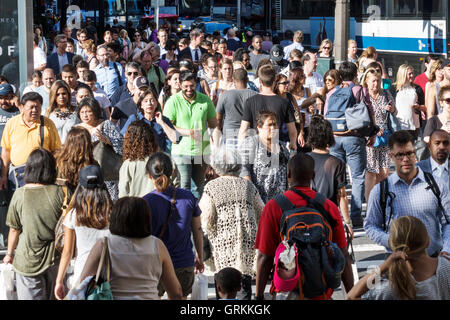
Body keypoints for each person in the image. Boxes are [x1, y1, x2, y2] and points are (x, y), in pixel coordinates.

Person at [254, 152, 354, 300]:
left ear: (288, 174)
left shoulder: (273, 207)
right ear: (313, 175)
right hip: (321, 291)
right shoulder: (328, 206)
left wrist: (259, 296)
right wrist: (352, 294)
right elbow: (343, 254)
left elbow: (264, 257)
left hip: (287, 291)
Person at [364, 130, 450, 258]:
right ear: (391, 157)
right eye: (400, 155)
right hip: (399, 263)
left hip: (433, 260)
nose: (405, 159)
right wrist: (390, 241)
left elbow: (448, 221)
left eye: (409, 153)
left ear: (415, 153)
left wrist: (446, 249)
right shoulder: (381, 190)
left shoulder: (437, 184)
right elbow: (371, 225)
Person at [79, 196, 183, 300]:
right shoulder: (158, 245)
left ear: (115, 217)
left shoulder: (104, 245)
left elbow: (82, 284)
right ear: (146, 219)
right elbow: (176, 292)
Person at [199, 147, 264, 300]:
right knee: (243, 290)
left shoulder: (211, 187)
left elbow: (205, 218)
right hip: (246, 246)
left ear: (217, 165)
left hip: (223, 248)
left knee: (224, 292)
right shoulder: (249, 186)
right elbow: (262, 211)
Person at [3, 148, 64, 300]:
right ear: (52, 168)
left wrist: (9, 254)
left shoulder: (19, 194)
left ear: (29, 168)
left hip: (27, 262)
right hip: (55, 260)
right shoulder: (61, 192)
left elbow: (14, 229)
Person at [143, 152, 204, 299]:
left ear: (149, 176)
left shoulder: (146, 202)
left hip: (154, 263)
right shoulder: (188, 197)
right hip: (183, 262)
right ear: (173, 172)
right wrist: (200, 256)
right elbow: (197, 230)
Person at [324, 62, 375, 228]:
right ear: (355, 75)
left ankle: (336, 212)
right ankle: (355, 215)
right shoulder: (360, 90)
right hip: (354, 136)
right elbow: (369, 112)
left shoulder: (332, 92)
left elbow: (325, 115)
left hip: (335, 137)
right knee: (358, 176)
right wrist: (372, 133)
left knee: (336, 177)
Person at [348, 216, 450, 300]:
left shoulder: (390, 288)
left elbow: (352, 296)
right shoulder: (446, 268)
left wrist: (384, 267)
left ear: (393, 246)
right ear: (427, 242)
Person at [54, 165, 111, 299]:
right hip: (108, 277)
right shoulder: (112, 214)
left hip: (82, 278)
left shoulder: (73, 215)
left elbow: (67, 253)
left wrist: (59, 281)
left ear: (80, 187)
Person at [163, 70, 218, 198]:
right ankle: (183, 215)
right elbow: (167, 125)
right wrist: (187, 132)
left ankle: (196, 216)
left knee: (198, 187)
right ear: (180, 84)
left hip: (201, 151)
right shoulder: (172, 101)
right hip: (181, 150)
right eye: (185, 86)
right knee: (184, 185)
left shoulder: (204, 100)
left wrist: (215, 148)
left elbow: (213, 125)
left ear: (196, 84)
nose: (189, 89)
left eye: (192, 86)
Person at [307, 115, 353, 237]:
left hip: (305, 216)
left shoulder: (302, 160)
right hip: (329, 216)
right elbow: (341, 196)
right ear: (329, 137)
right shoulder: (336, 163)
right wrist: (348, 223)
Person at [238, 65, 297, 152]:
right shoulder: (284, 102)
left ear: (260, 81)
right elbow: (292, 130)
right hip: (276, 148)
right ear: (274, 81)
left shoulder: (250, 101)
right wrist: (293, 143)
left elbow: (243, 130)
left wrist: (241, 149)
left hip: (256, 149)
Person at [75, 97, 124, 200]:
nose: (85, 115)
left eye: (89, 111)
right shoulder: (76, 129)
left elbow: (122, 145)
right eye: (82, 112)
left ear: (96, 111)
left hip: (107, 175)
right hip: (85, 174)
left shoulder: (106, 125)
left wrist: (107, 141)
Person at [362, 68, 397, 202]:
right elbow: (361, 117)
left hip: (385, 137)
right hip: (370, 138)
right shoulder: (363, 96)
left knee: (384, 172)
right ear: (366, 81)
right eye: (373, 81)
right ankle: (370, 201)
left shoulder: (386, 94)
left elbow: (396, 112)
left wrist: (392, 109)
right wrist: (374, 129)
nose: (375, 84)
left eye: (378, 81)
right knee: (371, 172)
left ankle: (380, 199)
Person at [239, 111, 290, 203]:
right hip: (258, 201)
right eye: (269, 125)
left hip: (280, 202)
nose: (273, 128)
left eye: (275, 124)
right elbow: (242, 168)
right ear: (259, 127)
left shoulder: (282, 146)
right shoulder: (251, 143)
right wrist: (252, 193)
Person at [120, 88, 178, 153]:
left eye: (152, 100)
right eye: (146, 101)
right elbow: (123, 137)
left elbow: (176, 139)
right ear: (141, 105)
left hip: (157, 159)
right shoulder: (134, 119)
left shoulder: (164, 120)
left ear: (156, 103)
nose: (149, 103)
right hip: (139, 158)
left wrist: (162, 123)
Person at [119, 120, 161, 198]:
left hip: (136, 207)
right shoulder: (163, 161)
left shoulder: (128, 165)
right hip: (159, 206)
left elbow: (123, 193)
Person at [216, 69, 257, 144]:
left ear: (233, 80)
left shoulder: (225, 95)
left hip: (229, 136)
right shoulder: (256, 95)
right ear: (247, 79)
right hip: (249, 136)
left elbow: (218, 118)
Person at [55, 126, 98, 192]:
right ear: (87, 143)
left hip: (62, 197)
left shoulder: (57, 160)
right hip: (82, 199)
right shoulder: (92, 164)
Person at [45, 80, 79, 144]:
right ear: (53, 95)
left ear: (68, 94)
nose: (61, 97)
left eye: (64, 93)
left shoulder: (77, 111)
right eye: (57, 94)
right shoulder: (48, 113)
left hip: (73, 150)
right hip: (56, 151)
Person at [395, 64, 421, 137]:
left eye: (413, 73)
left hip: (414, 126)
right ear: (403, 74)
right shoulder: (394, 89)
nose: (412, 75)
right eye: (409, 74)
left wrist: (418, 107)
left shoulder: (417, 88)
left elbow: (423, 105)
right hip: (399, 125)